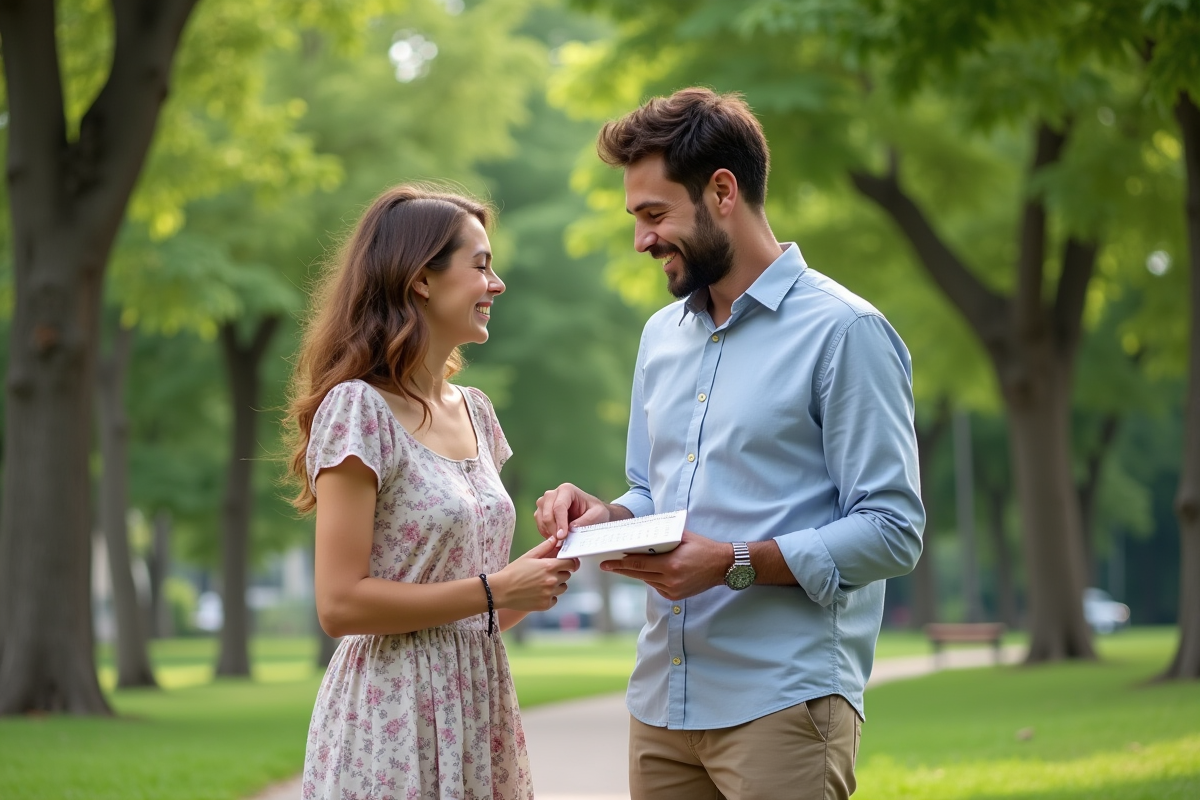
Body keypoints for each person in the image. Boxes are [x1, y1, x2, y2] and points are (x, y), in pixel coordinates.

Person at [535, 88, 925, 800]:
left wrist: (735, 564)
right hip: (662, 701)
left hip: (783, 703)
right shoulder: (660, 338)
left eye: (655, 215)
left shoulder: (845, 333)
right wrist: (605, 518)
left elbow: (894, 532)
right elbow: (654, 492)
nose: (641, 240)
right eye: (636, 218)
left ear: (722, 192)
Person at [285, 185, 576, 800]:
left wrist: (559, 554)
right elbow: (339, 605)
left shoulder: (477, 411)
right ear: (421, 279)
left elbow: (480, 611)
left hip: (479, 704)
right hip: (392, 715)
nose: (496, 284)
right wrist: (496, 589)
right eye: (481, 265)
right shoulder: (358, 409)